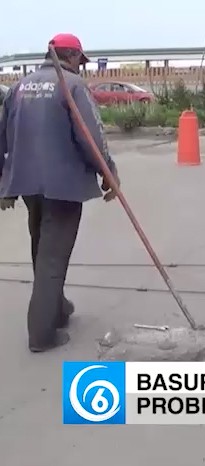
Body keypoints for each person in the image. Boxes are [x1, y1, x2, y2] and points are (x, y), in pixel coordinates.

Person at [0, 33, 120, 352]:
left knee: (42, 248)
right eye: (80, 61)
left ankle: (57, 306)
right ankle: (41, 334)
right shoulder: (72, 86)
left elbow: (2, 136)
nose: (81, 68)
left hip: (27, 185)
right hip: (62, 186)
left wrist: (3, 183)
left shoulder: (18, 87)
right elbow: (90, 136)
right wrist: (109, 172)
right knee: (52, 257)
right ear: (73, 57)